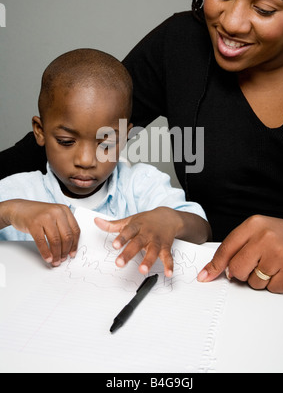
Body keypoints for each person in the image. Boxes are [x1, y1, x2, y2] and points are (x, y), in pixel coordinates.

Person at [1, 0, 283, 293]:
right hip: (206, 283)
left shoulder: (140, 186)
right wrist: (11, 208)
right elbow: (80, 122)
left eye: (264, 8)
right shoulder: (182, 46)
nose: (232, 22)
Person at [0, 49, 210, 275]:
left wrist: (172, 219)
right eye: (66, 141)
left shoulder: (141, 185)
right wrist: (9, 211)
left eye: (106, 144)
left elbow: (202, 231)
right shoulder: (17, 192)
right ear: (40, 131)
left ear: (126, 136)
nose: (86, 160)